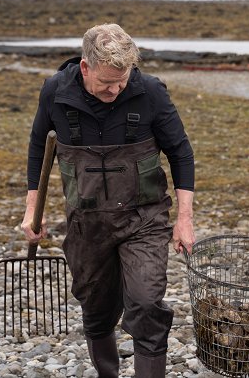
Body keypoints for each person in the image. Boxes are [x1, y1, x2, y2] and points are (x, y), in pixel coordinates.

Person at [21, 23, 195, 377]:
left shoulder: (150, 92)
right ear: (85, 68)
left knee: (146, 304)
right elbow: (39, 148)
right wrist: (30, 211)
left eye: (123, 79)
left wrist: (185, 218)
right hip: (86, 223)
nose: (116, 89)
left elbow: (181, 153)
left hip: (143, 219)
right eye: (106, 82)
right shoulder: (55, 91)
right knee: (96, 307)